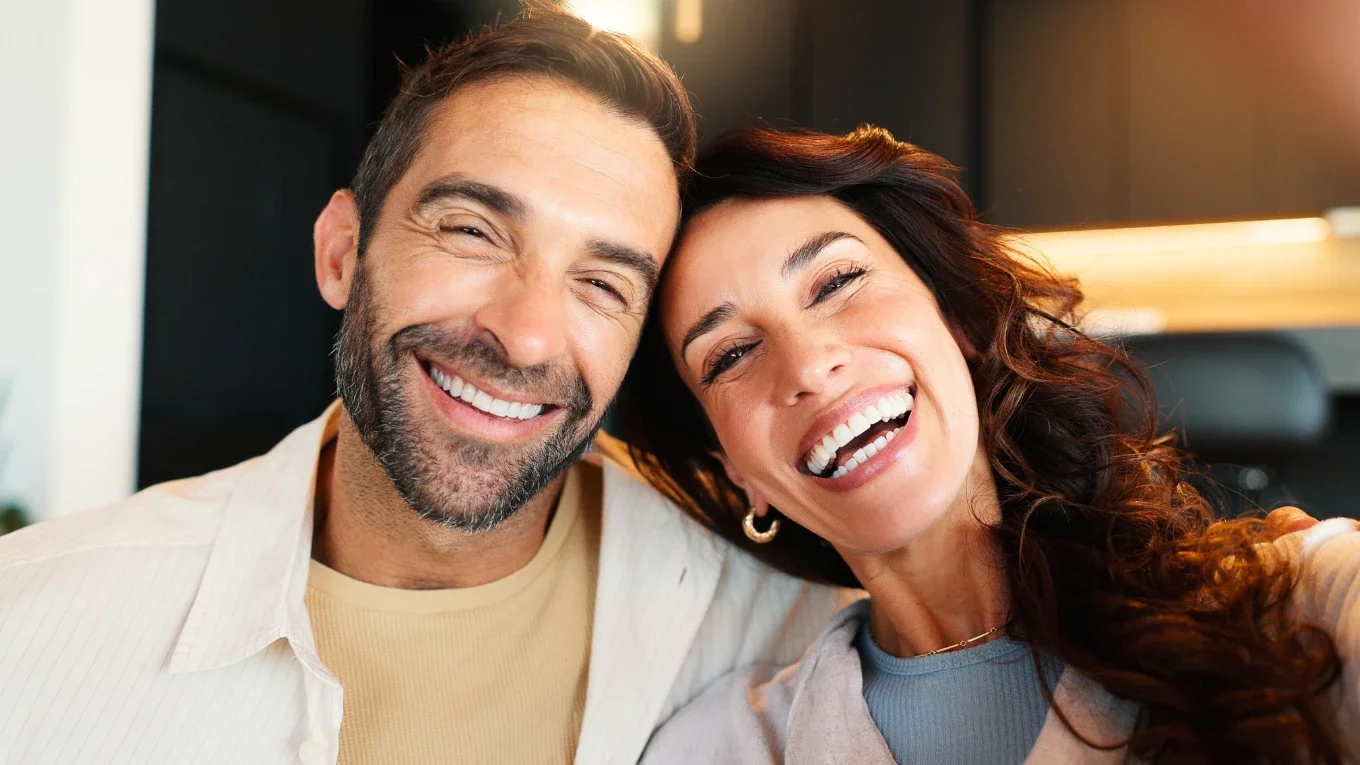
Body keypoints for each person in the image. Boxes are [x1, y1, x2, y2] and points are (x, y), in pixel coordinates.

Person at [0, 8, 846, 765]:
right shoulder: (32, 619)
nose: (525, 333)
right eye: (474, 231)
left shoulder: (786, 634)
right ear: (341, 252)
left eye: (602, 284)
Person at [620, 125, 1360, 764]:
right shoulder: (719, 747)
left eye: (838, 280)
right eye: (729, 355)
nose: (809, 365)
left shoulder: (1299, 605)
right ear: (737, 472)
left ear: (961, 326)